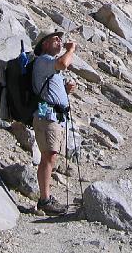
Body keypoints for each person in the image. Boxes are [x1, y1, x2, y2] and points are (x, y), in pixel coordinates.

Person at [31, 28, 76, 215]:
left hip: (54, 116)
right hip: (47, 116)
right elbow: (63, 63)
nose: (59, 41)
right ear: (45, 44)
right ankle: (44, 200)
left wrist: (65, 90)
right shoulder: (44, 60)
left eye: (60, 39)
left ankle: (46, 197)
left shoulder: (49, 64)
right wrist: (71, 49)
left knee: (51, 156)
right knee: (49, 156)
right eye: (55, 39)